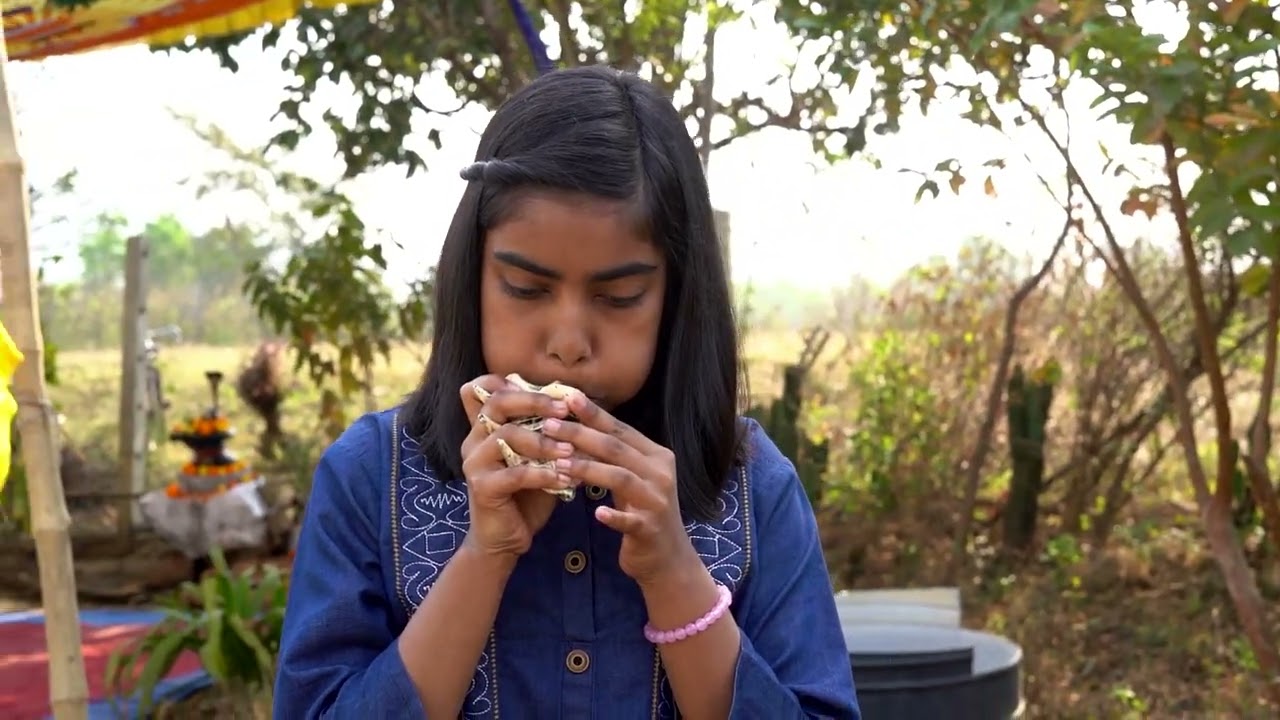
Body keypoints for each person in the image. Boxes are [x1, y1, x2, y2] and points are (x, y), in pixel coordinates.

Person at [273, 65, 861, 720]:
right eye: (525, 289)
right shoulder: (368, 477)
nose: (569, 341)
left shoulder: (753, 487)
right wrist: (483, 556)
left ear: (675, 297)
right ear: (475, 275)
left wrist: (674, 572)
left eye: (619, 297)